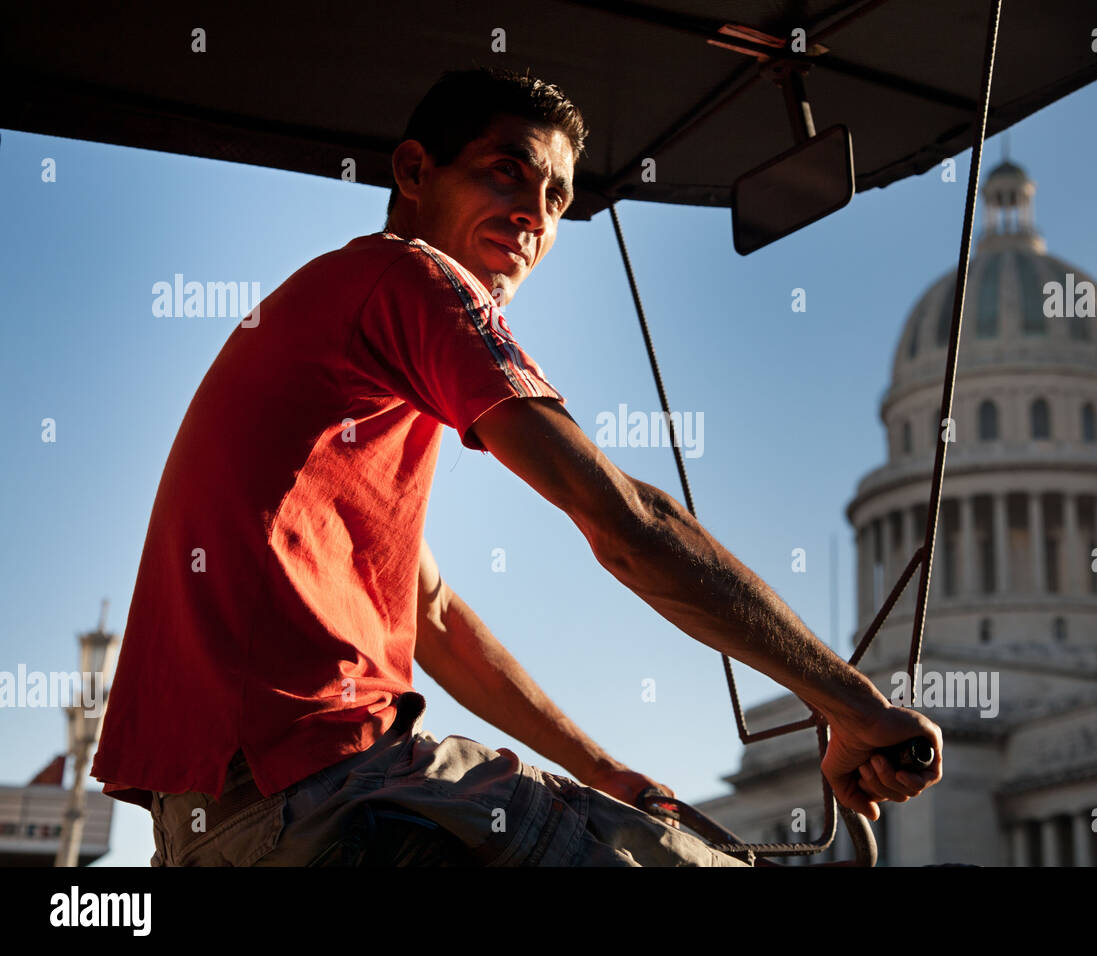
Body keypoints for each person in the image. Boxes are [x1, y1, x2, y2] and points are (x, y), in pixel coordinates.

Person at [90, 66, 942, 867]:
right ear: (416, 171)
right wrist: (856, 707)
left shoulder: (343, 330)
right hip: (323, 780)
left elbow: (429, 610)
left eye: (558, 196)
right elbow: (628, 525)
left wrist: (607, 774)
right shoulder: (414, 277)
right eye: (508, 172)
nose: (536, 213)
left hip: (214, 822)